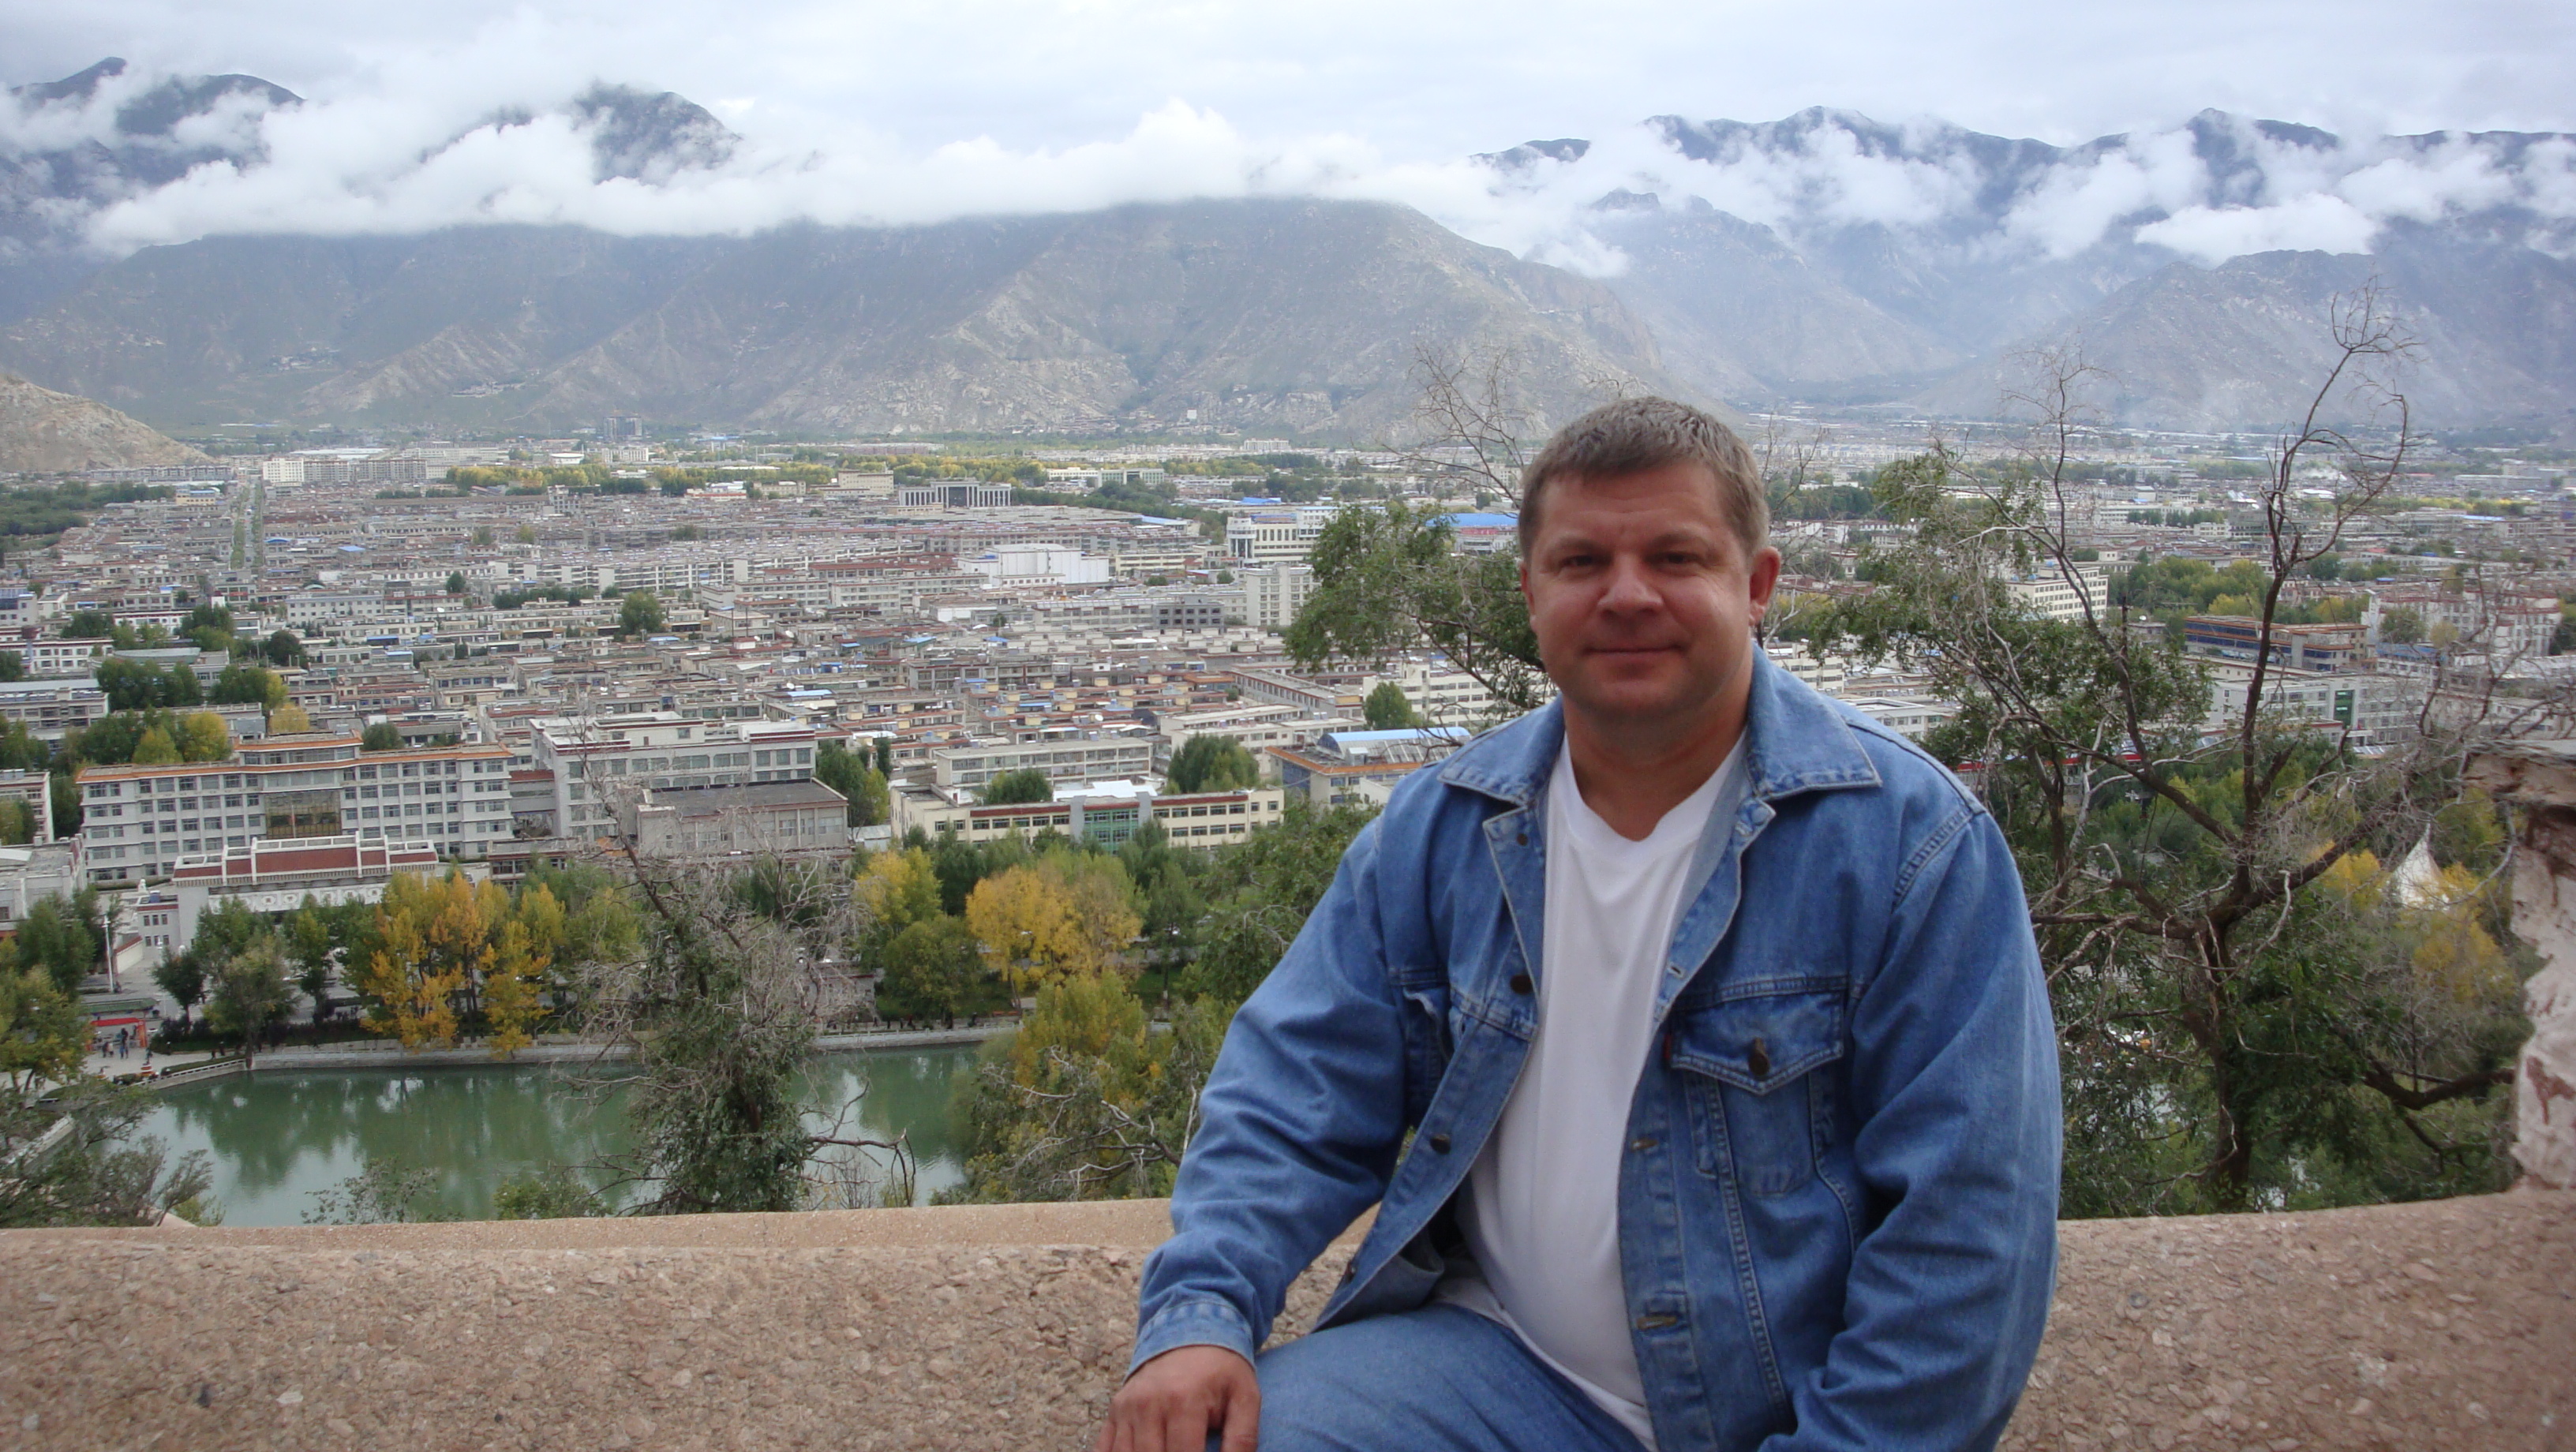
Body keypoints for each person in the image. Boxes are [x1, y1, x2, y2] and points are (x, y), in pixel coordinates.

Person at [1102, 398, 2061, 1452]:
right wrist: (1200, 1314)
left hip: (1774, 1413)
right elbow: (1293, 1091)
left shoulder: (1909, 846)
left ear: (1757, 586)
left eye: (1676, 558)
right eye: (1582, 562)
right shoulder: (1445, 829)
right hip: (1496, 1367)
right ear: (1531, 592)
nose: (1628, 595)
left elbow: (1968, 1236)